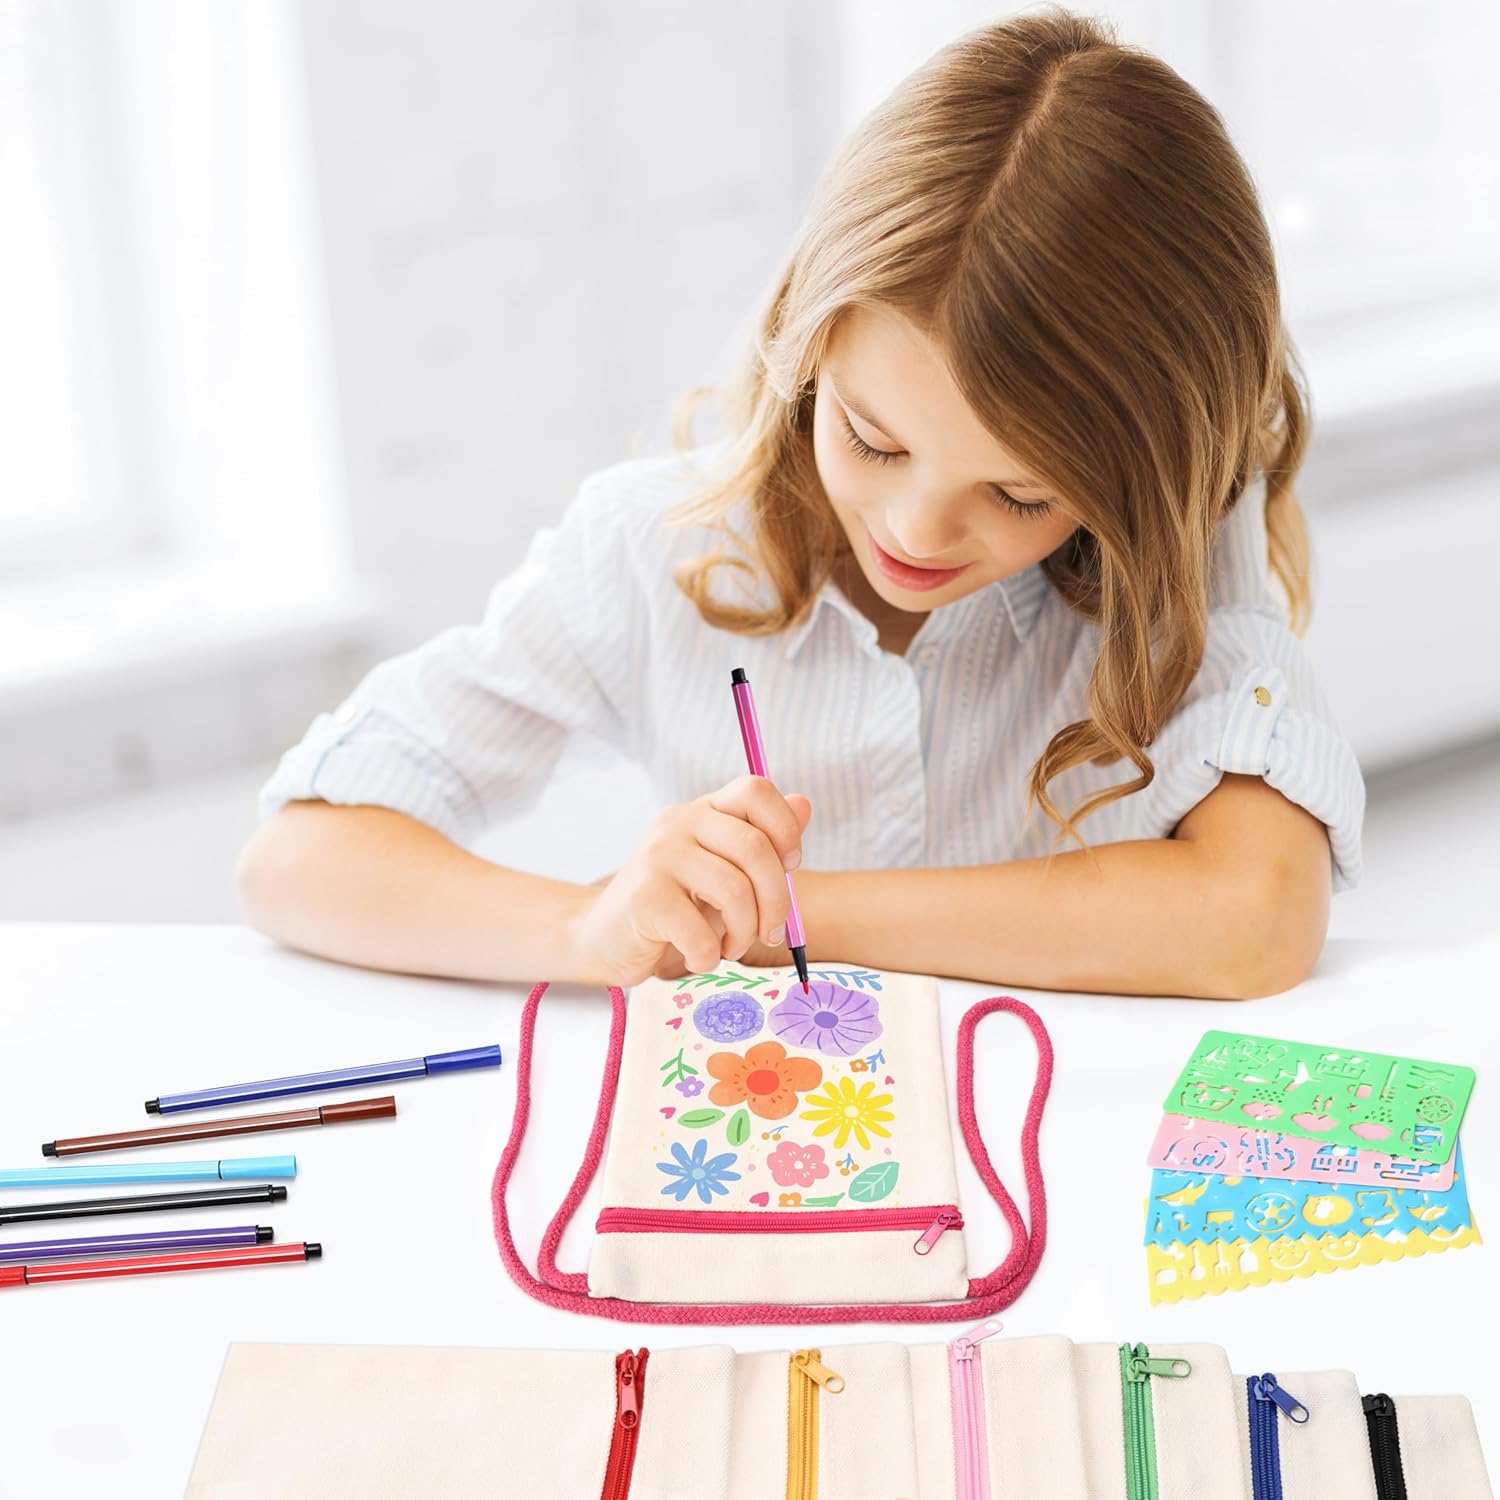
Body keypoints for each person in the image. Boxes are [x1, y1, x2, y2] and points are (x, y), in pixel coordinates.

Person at [239, 8, 1364, 1000]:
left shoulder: (1162, 558)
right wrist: (585, 927)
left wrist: (787, 915)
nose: (917, 531)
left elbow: (1256, 917)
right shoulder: (655, 549)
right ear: (807, 348)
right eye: (873, 440)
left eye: (1021, 493)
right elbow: (297, 859)